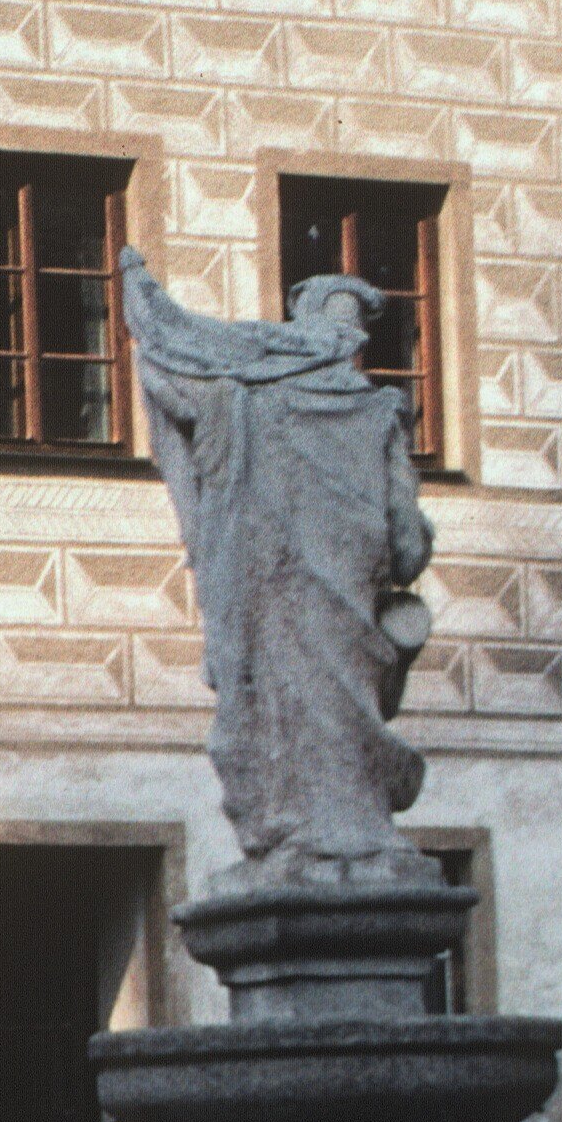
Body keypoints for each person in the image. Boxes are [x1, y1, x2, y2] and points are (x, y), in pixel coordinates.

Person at [116, 250, 437, 883]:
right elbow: (407, 551)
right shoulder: (378, 414)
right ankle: (357, 837)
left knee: (273, 716)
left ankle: (292, 833)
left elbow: (166, 375)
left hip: (263, 616)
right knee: (344, 719)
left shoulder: (238, 402)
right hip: (348, 628)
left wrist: (144, 310)